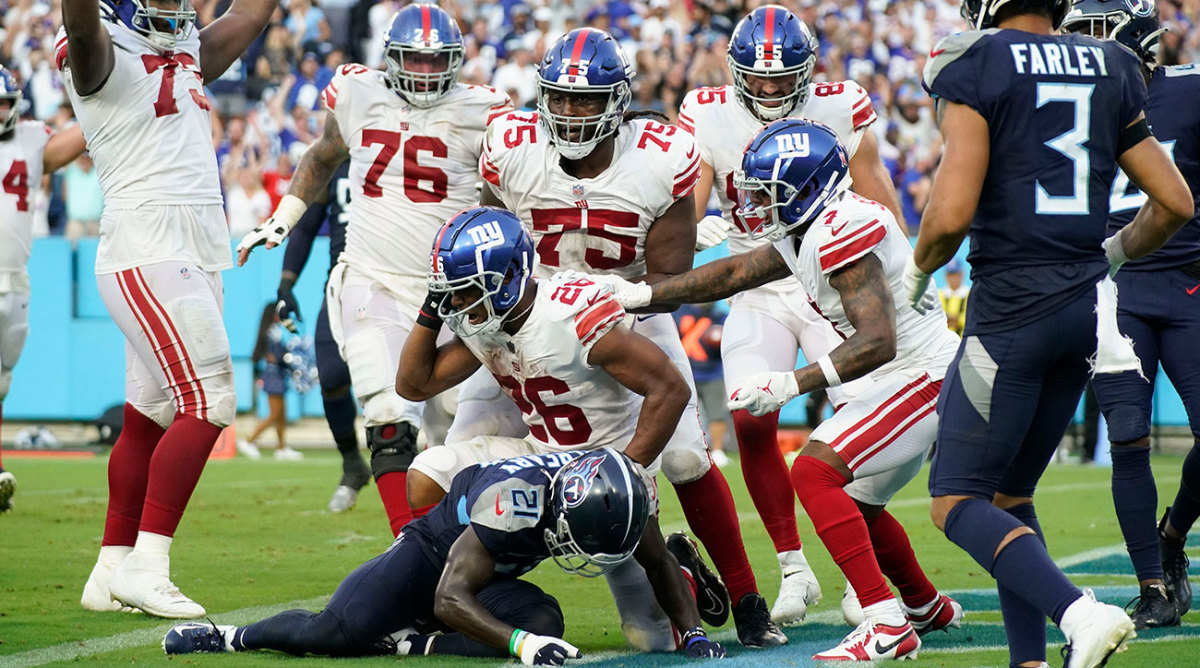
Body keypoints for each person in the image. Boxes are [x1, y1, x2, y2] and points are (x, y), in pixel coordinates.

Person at [471, 27, 785, 648]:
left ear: (618, 100)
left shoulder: (662, 156)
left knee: (689, 457)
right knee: (463, 445)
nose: (569, 111)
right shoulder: (511, 146)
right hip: (528, 325)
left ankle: (748, 600)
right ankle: (437, 590)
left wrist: (622, 299)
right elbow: (490, 233)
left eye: (586, 100)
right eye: (559, 98)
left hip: (629, 318)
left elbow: (667, 278)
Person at [904, 0, 1194, 664]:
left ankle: (1077, 611)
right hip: (1085, 312)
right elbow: (1175, 201)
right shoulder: (1113, 62)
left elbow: (949, 217)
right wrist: (1113, 251)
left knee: (953, 498)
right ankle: (1029, 661)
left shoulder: (976, 59)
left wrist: (915, 278)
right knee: (1011, 495)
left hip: (1011, 308)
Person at [613, 119, 964, 661]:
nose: (757, 204)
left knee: (814, 471)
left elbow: (878, 342)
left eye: (769, 192)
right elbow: (732, 274)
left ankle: (885, 620)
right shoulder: (814, 225)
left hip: (921, 376)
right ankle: (922, 604)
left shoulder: (840, 229)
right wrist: (638, 295)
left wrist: (790, 383)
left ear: (807, 187)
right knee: (855, 503)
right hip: (908, 374)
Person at [399, 207, 734, 651]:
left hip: (603, 470)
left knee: (652, 639)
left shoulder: (572, 316)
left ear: (508, 279)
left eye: (465, 293)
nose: (458, 306)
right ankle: (470, 594)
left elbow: (669, 388)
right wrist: (431, 307)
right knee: (429, 472)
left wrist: (627, 470)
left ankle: (681, 570)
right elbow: (414, 384)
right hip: (539, 454)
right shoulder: (486, 319)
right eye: (451, 294)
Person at [236, 4, 513, 535]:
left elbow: (504, 194)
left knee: (463, 431)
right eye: (415, 61)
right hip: (372, 276)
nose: (426, 74)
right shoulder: (359, 93)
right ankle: (405, 555)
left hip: (457, 291)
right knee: (387, 412)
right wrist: (284, 217)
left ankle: (457, 554)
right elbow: (322, 155)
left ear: (456, 62)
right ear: (391, 58)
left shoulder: (485, 111)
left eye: (438, 63)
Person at [676, 5, 910, 626]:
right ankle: (794, 569)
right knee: (753, 418)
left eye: (785, 80)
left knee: (861, 427)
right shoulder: (708, 113)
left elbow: (878, 197)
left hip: (829, 282)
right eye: (760, 78)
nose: (772, 90)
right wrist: (691, 231)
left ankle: (869, 581)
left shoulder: (841, 104)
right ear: (734, 71)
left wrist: (904, 279)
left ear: (809, 74)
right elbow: (692, 203)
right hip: (756, 284)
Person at [60, 0, 276, 618]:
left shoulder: (185, 47)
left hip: (193, 244)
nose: (168, 5)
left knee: (148, 415)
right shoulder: (99, 52)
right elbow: (80, 24)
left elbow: (255, 13)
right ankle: (149, 567)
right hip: (148, 241)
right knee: (208, 400)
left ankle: (109, 570)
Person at [161, 449, 727, 663]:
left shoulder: (620, 492)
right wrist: (522, 648)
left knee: (545, 620)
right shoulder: (515, 503)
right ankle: (228, 636)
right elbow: (450, 595)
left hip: (491, 572)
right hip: (434, 561)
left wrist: (694, 634)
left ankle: (415, 642)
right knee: (333, 634)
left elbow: (654, 561)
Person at [1063, 0, 1199, 629]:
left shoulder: (1191, 89)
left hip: (1189, 283)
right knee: (1127, 438)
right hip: (1114, 288)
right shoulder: (1061, 97)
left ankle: (1171, 534)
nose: (1088, 50)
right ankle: (1153, 586)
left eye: (1100, 35)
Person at [0, 66, 86, 513]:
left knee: (2, 380)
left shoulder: (32, 138)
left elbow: (78, 139)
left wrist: (100, 102)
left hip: (15, 278)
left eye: (4, 104)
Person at [272, 159, 373, 510]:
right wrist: (286, 284)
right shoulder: (334, 160)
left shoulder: (398, 145)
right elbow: (306, 227)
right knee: (331, 376)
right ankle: (352, 465)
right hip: (341, 285)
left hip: (394, 281)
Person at [237, 303, 304, 461]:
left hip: (279, 375)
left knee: (282, 414)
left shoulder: (275, 331)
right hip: (273, 375)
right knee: (274, 414)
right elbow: (277, 355)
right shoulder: (270, 333)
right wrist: (290, 359)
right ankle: (248, 441)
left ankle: (281, 447)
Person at [939, 259, 968, 335]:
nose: (953, 278)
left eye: (956, 274)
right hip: (944, 341)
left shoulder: (969, 294)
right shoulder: (940, 294)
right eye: (950, 275)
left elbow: (971, 317)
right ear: (945, 276)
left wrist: (958, 320)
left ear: (962, 274)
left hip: (964, 341)